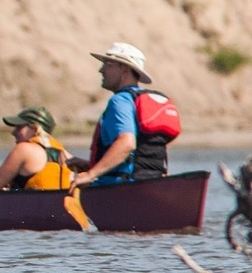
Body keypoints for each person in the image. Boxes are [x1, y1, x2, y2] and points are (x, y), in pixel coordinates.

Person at [74, 42, 181, 187]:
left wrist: (90, 175)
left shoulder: (120, 100)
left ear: (124, 69)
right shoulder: (138, 100)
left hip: (120, 189)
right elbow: (137, 157)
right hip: (151, 184)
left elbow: (127, 144)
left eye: (108, 64)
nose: (101, 70)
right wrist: (89, 165)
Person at [0, 107, 74, 191]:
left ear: (35, 128)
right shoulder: (65, 154)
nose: (13, 132)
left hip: (31, 212)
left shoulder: (24, 149)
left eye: (19, 127)